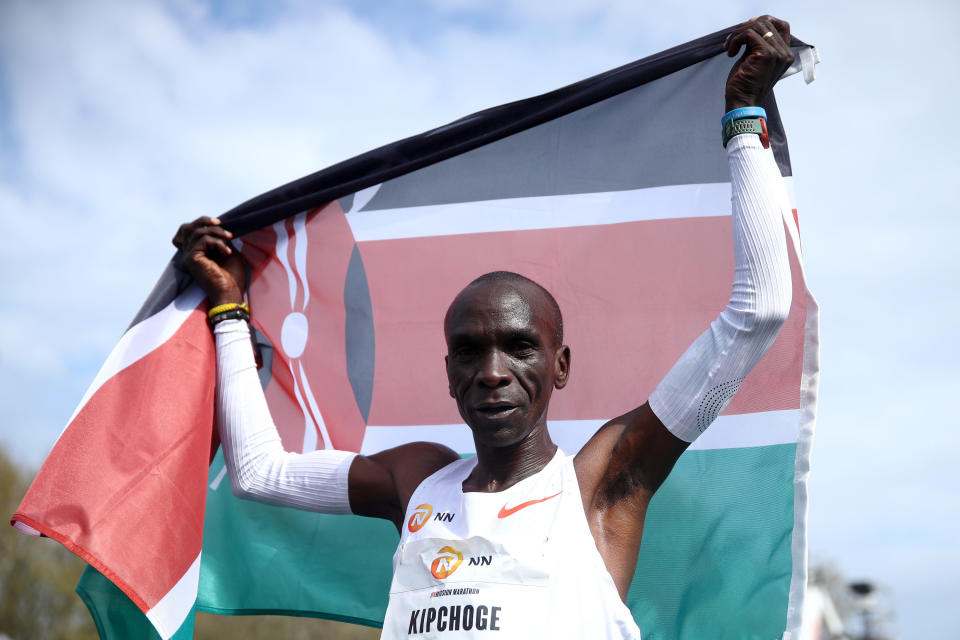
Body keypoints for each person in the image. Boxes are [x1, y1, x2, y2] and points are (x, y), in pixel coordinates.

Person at [174, 15, 796, 639]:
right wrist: (229, 308)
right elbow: (257, 473)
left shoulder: (602, 483)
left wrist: (743, 119)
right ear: (448, 373)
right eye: (469, 351)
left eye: (520, 346)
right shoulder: (415, 479)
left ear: (561, 365)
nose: (492, 372)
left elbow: (761, 310)